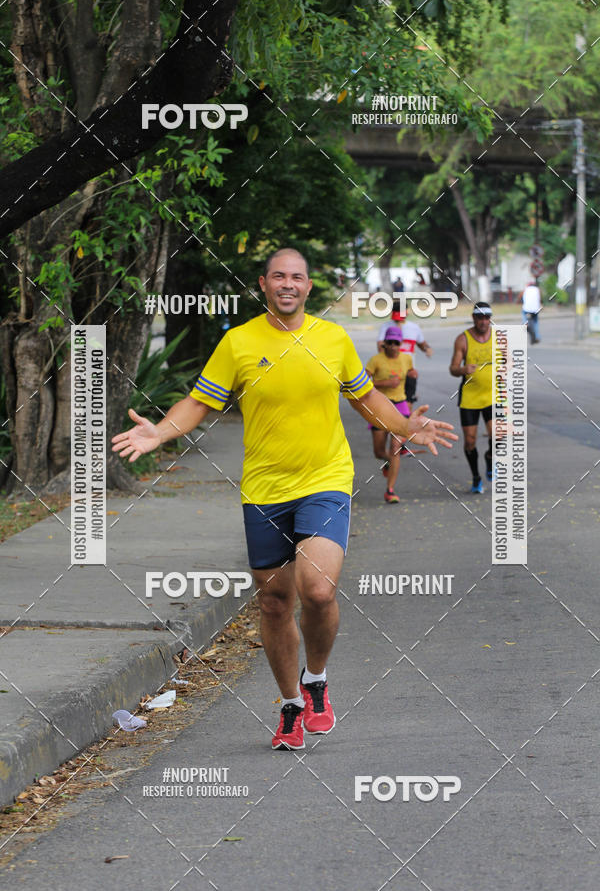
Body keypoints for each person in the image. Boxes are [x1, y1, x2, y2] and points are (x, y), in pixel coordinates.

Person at [112, 248, 458, 750]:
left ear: (308, 286)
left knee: (317, 590)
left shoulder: (332, 339)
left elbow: (365, 397)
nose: (288, 283)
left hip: (326, 480)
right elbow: (199, 401)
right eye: (279, 276)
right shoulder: (239, 342)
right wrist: (159, 433)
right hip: (264, 490)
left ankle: (316, 678)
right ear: (264, 283)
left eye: (297, 276)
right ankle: (291, 704)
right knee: (275, 603)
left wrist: (405, 426)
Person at [449, 302, 494, 494]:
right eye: (480, 317)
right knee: (469, 441)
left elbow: (509, 361)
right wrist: (463, 369)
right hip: (470, 398)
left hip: (493, 396)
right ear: (474, 318)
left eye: (487, 317)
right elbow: (453, 369)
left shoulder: (499, 338)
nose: (483, 321)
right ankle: (476, 477)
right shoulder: (463, 339)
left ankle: (490, 458)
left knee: (498, 436)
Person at [365, 327, 413, 504]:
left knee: (395, 449)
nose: (393, 346)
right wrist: (385, 383)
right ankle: (387, 461)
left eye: (396, 343)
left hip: (400, 406)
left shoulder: (407, 359)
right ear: (384, 343)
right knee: (379, 452)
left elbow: (411, 376)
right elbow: (363, 382)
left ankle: (390, 490)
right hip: (380, 407)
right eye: (390, 342)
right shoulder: (376, 360)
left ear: (401, 344)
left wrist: (411, 397)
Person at [377, 303, 432, 404]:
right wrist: (393, 342)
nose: (398, 320)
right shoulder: (386, 327)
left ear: (406, 313)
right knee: (390, 403)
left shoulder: (414, 327)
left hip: (409, 370)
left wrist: (427, 349)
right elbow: (380, 348)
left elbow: (421, 343)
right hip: (391, 371)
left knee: (408, 401)